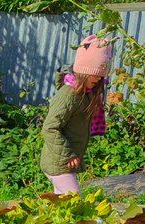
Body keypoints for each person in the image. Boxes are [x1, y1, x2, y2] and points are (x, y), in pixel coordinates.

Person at [40, 34, 112, 196]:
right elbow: (50, 127)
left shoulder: (84, 93)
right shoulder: (69, 95)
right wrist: (68, 154)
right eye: (95, 73)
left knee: (62, 207)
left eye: (101, 74)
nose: (99, 77)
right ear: (83, 71)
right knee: (76, 203)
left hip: (64, 162)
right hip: (59, 162)